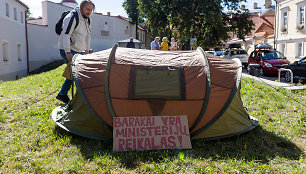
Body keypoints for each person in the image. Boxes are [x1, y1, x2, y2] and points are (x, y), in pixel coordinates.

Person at [56, 0, 95, 104]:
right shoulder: (71, 17)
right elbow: (66, 35)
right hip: (67, 49)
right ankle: (64, 95)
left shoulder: (88, 20)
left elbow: (87, 36)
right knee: (75, 72)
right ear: (81, 7)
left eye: (91, 10)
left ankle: (64, 94)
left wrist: (87, 50)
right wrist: (68, 52)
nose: (89, 12)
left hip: (79, 51)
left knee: (76, 72)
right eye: (87, 9)